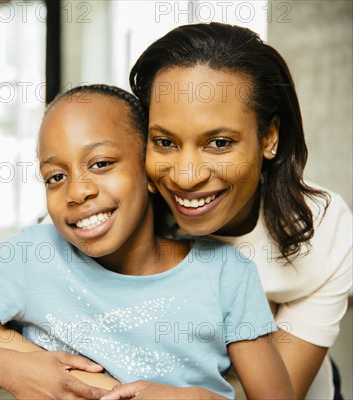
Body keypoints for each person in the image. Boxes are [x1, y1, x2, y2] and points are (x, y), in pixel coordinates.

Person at [0, 84, 294, 399]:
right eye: (55, 177)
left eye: (101, 164)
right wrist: (10, 368)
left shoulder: (225, 274)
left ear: (150, 170)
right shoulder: (34, 256)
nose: (77, 191)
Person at [104, 22, 352, 400]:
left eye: (219, 143)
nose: (186, 177)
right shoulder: (108, 217)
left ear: (269, 138)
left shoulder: (324, 229)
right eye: (165, 141)